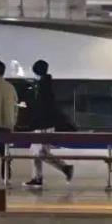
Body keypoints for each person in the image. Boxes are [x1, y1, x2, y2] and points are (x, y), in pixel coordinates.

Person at [23, 60, 73, 189]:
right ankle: (38, 177)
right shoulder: (46, 84)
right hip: (45, 124)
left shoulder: (42, 86)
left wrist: (28, 106)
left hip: (42, 125)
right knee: (37, 151)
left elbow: (40, 107)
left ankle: (62, 168)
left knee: (39, 152)